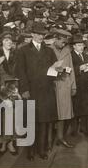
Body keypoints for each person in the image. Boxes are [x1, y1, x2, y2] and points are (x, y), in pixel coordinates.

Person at [15, 22, 59, 161]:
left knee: (44, 122)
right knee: (31, 122)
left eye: (43, 35)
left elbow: (55, 68)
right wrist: (24, 90)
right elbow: (20, 72)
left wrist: (58, 70)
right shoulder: (23, 50)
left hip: (46, 91)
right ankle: (30, 151)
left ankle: (42, 150)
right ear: (33, 34)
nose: (41, 36)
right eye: (39, 34)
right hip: (31, 91)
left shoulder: (49, 51)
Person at [49, 28, 77, 149]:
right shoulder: (48, 50)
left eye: (65, 42)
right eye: (62, 42)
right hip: (52, 85)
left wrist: (73, 86)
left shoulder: (67, 51)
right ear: (56, 39)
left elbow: (71, 70)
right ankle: (49, 140)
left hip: (65, 86)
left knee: (63, 115)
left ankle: (60, 138)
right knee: (50, 115)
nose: (64, 44)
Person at [70, 34, 88, 135]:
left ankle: (83, 127)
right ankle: (74, 129)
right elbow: (69, 69)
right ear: (74, 46)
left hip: (86, 83)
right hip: (77, 84)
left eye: (82, 45)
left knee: (86, 106)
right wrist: (79, 68)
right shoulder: (71, 56)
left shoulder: (85, 55)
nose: (82, 47)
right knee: (76, 106)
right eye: (79, 45)